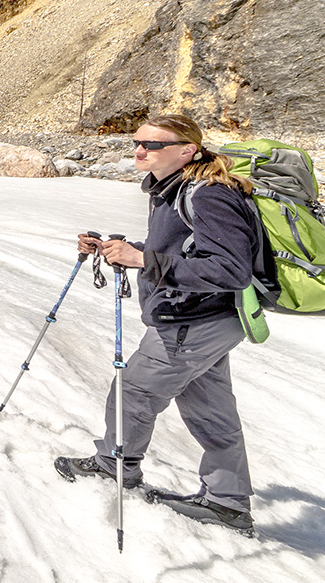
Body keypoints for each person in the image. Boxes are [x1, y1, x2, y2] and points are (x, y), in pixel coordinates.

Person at [53, 113, 259, 536]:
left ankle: (116, 466)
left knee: (133, 392)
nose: (139, 151)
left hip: (192, 320)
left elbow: (230, 269)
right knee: (210, 408)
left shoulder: (208, 195)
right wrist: (128, 248)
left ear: (188, 150)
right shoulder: (175, 189)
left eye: (152, 145)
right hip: (209, 319)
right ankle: (227, 502)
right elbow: (182, 249)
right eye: (136, 142)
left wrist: (142, 260)